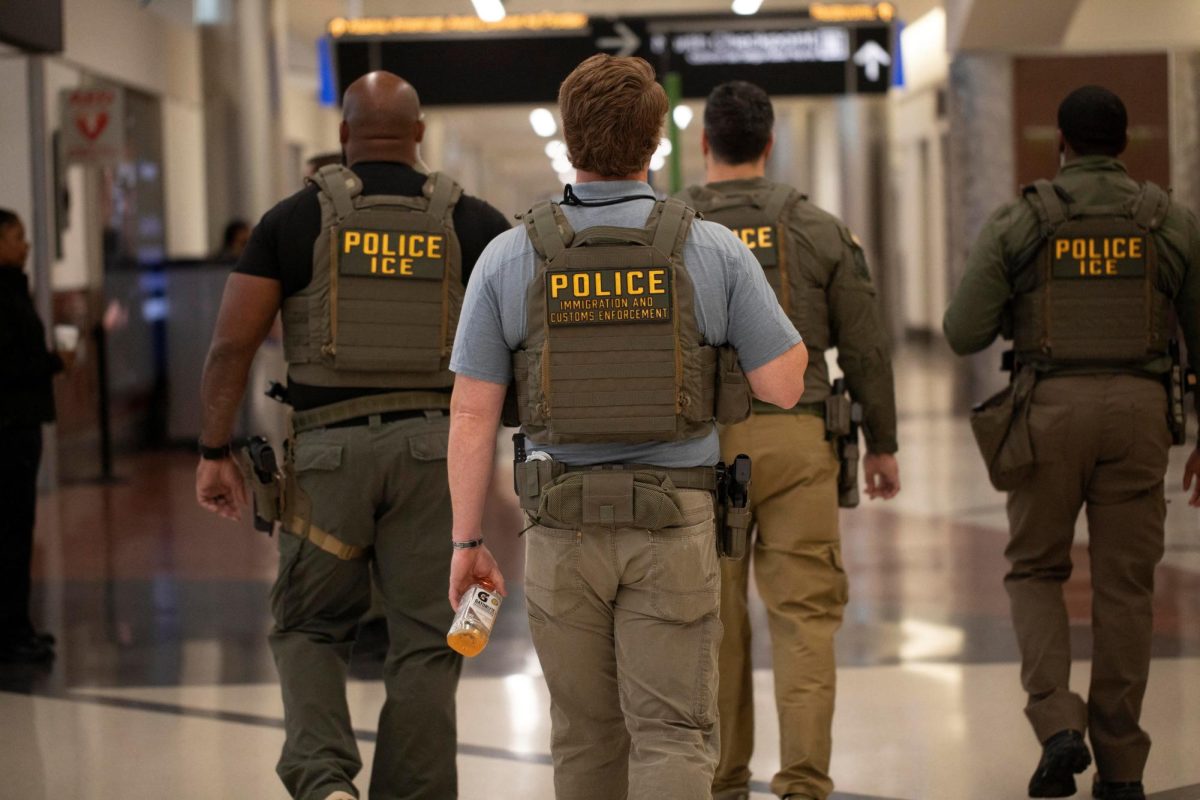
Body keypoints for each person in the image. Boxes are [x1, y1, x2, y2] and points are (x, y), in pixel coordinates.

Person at [446, 54, 809, 800]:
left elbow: (472, 413)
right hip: (674, 525)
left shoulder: (510, 256)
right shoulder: (711, 249)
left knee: (585, 736)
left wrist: (467, 541)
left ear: (570, 139)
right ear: (655, 143)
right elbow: (783, 385)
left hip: (560, 527)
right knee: (672, 733)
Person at [194, 71, 510, 800]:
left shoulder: (292, 220)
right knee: (428, 641)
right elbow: (521, 346)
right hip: (438, 457)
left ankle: (325, 781)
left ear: (342, 135)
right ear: (419, 134)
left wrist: (214, 452)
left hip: (327, 459)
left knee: (310, 626)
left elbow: (230, 347)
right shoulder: (475, 223)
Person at [944, 85, 1200, 800]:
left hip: (1048, 415)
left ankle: (1058, 722)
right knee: (1126, 587)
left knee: (1035, 569)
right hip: (1142, 415)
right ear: (1125, 144)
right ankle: (1122, 767)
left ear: (1060, 142)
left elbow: (963, 330)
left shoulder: (1022, 220)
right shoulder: (1169, 221)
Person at [678, 81, 900, 800]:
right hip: (800, 437)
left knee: (712, 619)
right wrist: (884, 443)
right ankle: (804, 783)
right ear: (769, 145)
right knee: (805, 617)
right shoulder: (819, 228)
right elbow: (865, 347)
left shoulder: (672, 230)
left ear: (704, 144)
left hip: (701, 450)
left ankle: (722, 781)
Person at [0, 209, 68, 664]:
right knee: (10, 530)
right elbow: (11, 364)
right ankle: (10, 633)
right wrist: (54, 362)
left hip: (19, 424)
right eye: (17, 237)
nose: (25, 246)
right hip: (9, 429)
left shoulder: (12, 289)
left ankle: (17, 626)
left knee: (17, 529)